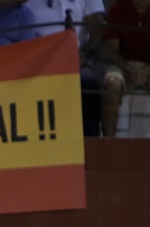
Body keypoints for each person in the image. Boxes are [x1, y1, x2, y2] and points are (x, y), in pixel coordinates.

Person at [27, 0, 104, 136]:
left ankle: (89, 143)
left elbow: (97, 24)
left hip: (75, 58)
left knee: (89, 83)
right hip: (37, 59)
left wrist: (85, 55)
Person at [100, 0, 150, 137]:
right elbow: (112, 51)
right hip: (123, 65)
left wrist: (146, 70)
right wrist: (129, 68)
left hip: (148, 67)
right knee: (111, 83)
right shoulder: (118, 8)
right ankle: (109, 143)